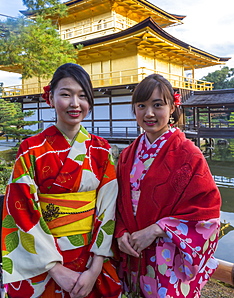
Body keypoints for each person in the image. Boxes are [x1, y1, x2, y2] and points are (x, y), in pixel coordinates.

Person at [2, 63, 122, 298]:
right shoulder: (31, 149)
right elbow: (21, 210)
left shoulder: (101, 149)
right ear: (51, 98)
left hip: (90, 258)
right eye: (66, 94)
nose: (75, 103)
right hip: (43, 259)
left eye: (83, 96)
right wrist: (55, 269)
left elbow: (108, 210)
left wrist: (95, 267)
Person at [115, 74, 221, 298]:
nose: (149, 113)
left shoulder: (188, 154)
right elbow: (118, 204)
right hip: (134, 250)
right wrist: (121, 232)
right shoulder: (127, 155)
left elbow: (207, 212)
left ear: (172, 107)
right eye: (141, 105)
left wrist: (157, 229)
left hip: (169, 256)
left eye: (158, 105)